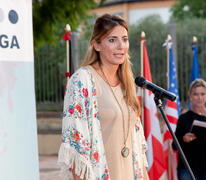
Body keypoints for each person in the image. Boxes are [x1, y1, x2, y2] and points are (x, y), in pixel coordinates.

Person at [57, 14, 149, 180]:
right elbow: (76, 147)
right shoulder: (82, 80)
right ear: (96, 44)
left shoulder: (127, 82)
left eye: (125, 39)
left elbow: (137, 144)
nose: (121, 46)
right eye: (112, 40)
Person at [172, 78, 206, 180]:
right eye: (196, 94)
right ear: (190, 96)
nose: (199, 98)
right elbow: (174, 146)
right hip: (187, 168)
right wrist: (183, 139)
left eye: (202, 94)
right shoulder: (183, 118)